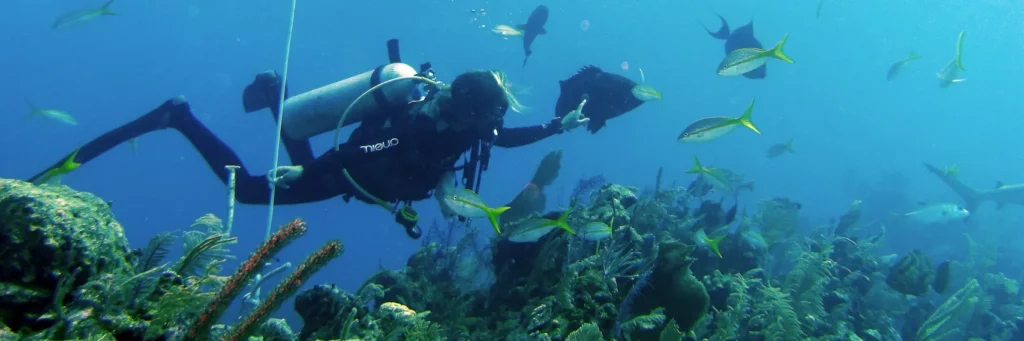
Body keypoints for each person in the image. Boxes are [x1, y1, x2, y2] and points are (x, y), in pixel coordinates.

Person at [27, 39, 598, 239]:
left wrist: (557, 128)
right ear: (469, 108)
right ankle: (180, 118)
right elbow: (368, 150)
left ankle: (278, 98)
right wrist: (309, 173)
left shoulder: (470, 123)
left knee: (301, 153)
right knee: (251, 192)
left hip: (359, 172)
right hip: (350, 169)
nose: (488, 131)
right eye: (486, 119)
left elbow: (504, 139)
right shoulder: (426, 122)